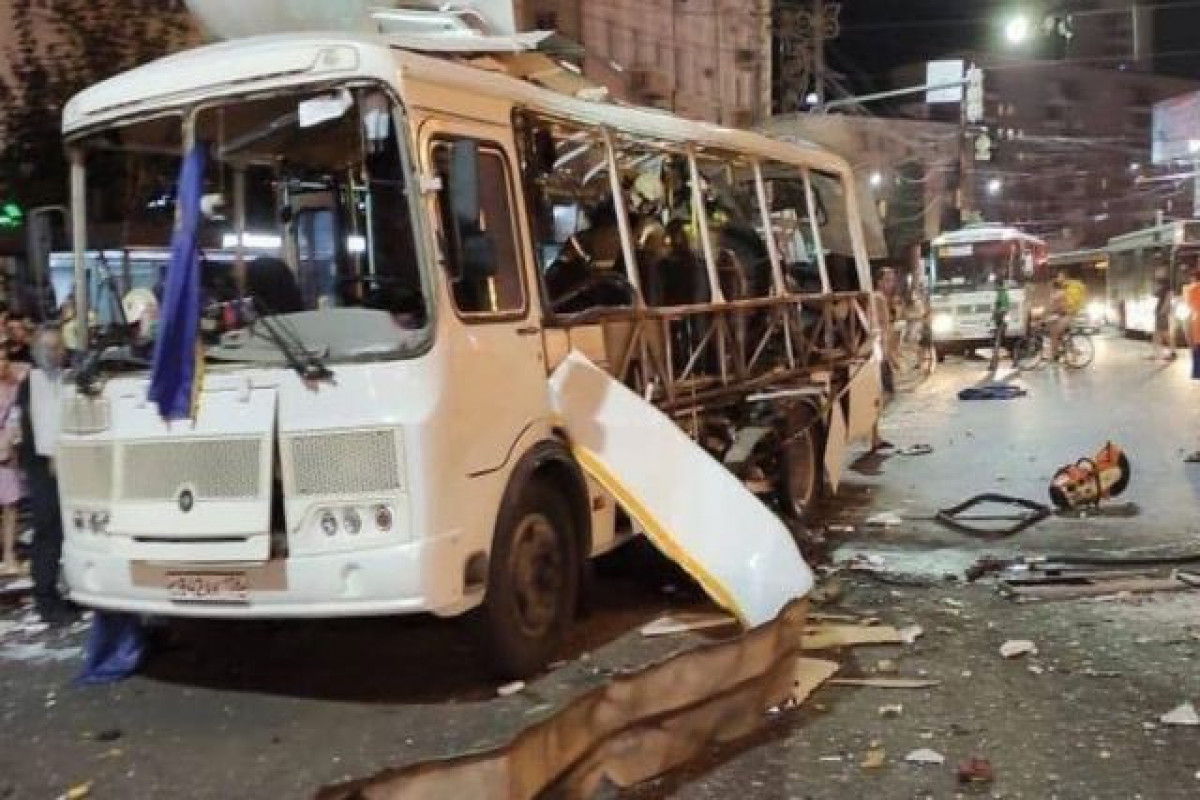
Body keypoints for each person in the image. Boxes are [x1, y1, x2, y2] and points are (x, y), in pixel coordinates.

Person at [19, 325, 76, 624]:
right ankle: (45, 597)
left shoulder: (59, 376)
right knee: (48, 530)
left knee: (65, 531)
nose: (60, 352)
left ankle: (63, 590)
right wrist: (52, 454)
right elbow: (36, 424)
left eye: (60, 347)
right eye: (54, 348)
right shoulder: (32, 382)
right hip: (43, 465)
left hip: (64, 461)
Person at [0, 349, 26, 575]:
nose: (2, 363)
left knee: (10, 505)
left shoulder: (14, 386)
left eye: (4, 358)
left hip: (7, 452)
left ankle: (9, 554)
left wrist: (7, 443)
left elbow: (16, 418)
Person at [871, 267, 898, 452]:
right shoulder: (878, 298)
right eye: (888, 280)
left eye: (892, 279)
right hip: (879, 351)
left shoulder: (877, 297)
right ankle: (873, 430)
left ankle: (875, 435)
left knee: (881, 393)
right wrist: (889, 356)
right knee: (887, 393)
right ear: (879, 281)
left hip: (877, 350)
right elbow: (883, 329)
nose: (892, 283)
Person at [1152, 269, 1176, 360]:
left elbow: (1168, 297)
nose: (1157, 273)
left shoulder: (1167, 286)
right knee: (1157, 333)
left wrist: (1163, 310)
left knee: (1164, 333)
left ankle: (1172, 352)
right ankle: (1158, 353)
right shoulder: (1160, 285)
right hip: (1159, 311)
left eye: (1159, 272)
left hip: (1162, 312)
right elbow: (1155, 294)